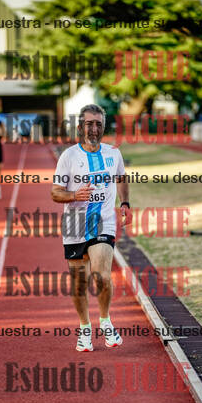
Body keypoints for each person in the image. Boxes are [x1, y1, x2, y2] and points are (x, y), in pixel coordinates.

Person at [51, 104, 132, 352]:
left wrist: (125, 203)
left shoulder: (113, 153)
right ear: (80, 127)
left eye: (98, 124)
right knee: (79, 284)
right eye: (89, 124)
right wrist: (74, 195)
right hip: (75, 225)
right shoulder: (68, 157)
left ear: (103, 127)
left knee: (102, 276)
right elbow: (55, 192)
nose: (94, 129)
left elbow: (121, 177)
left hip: (104, 223)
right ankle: (85, 328)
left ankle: (105, 321)